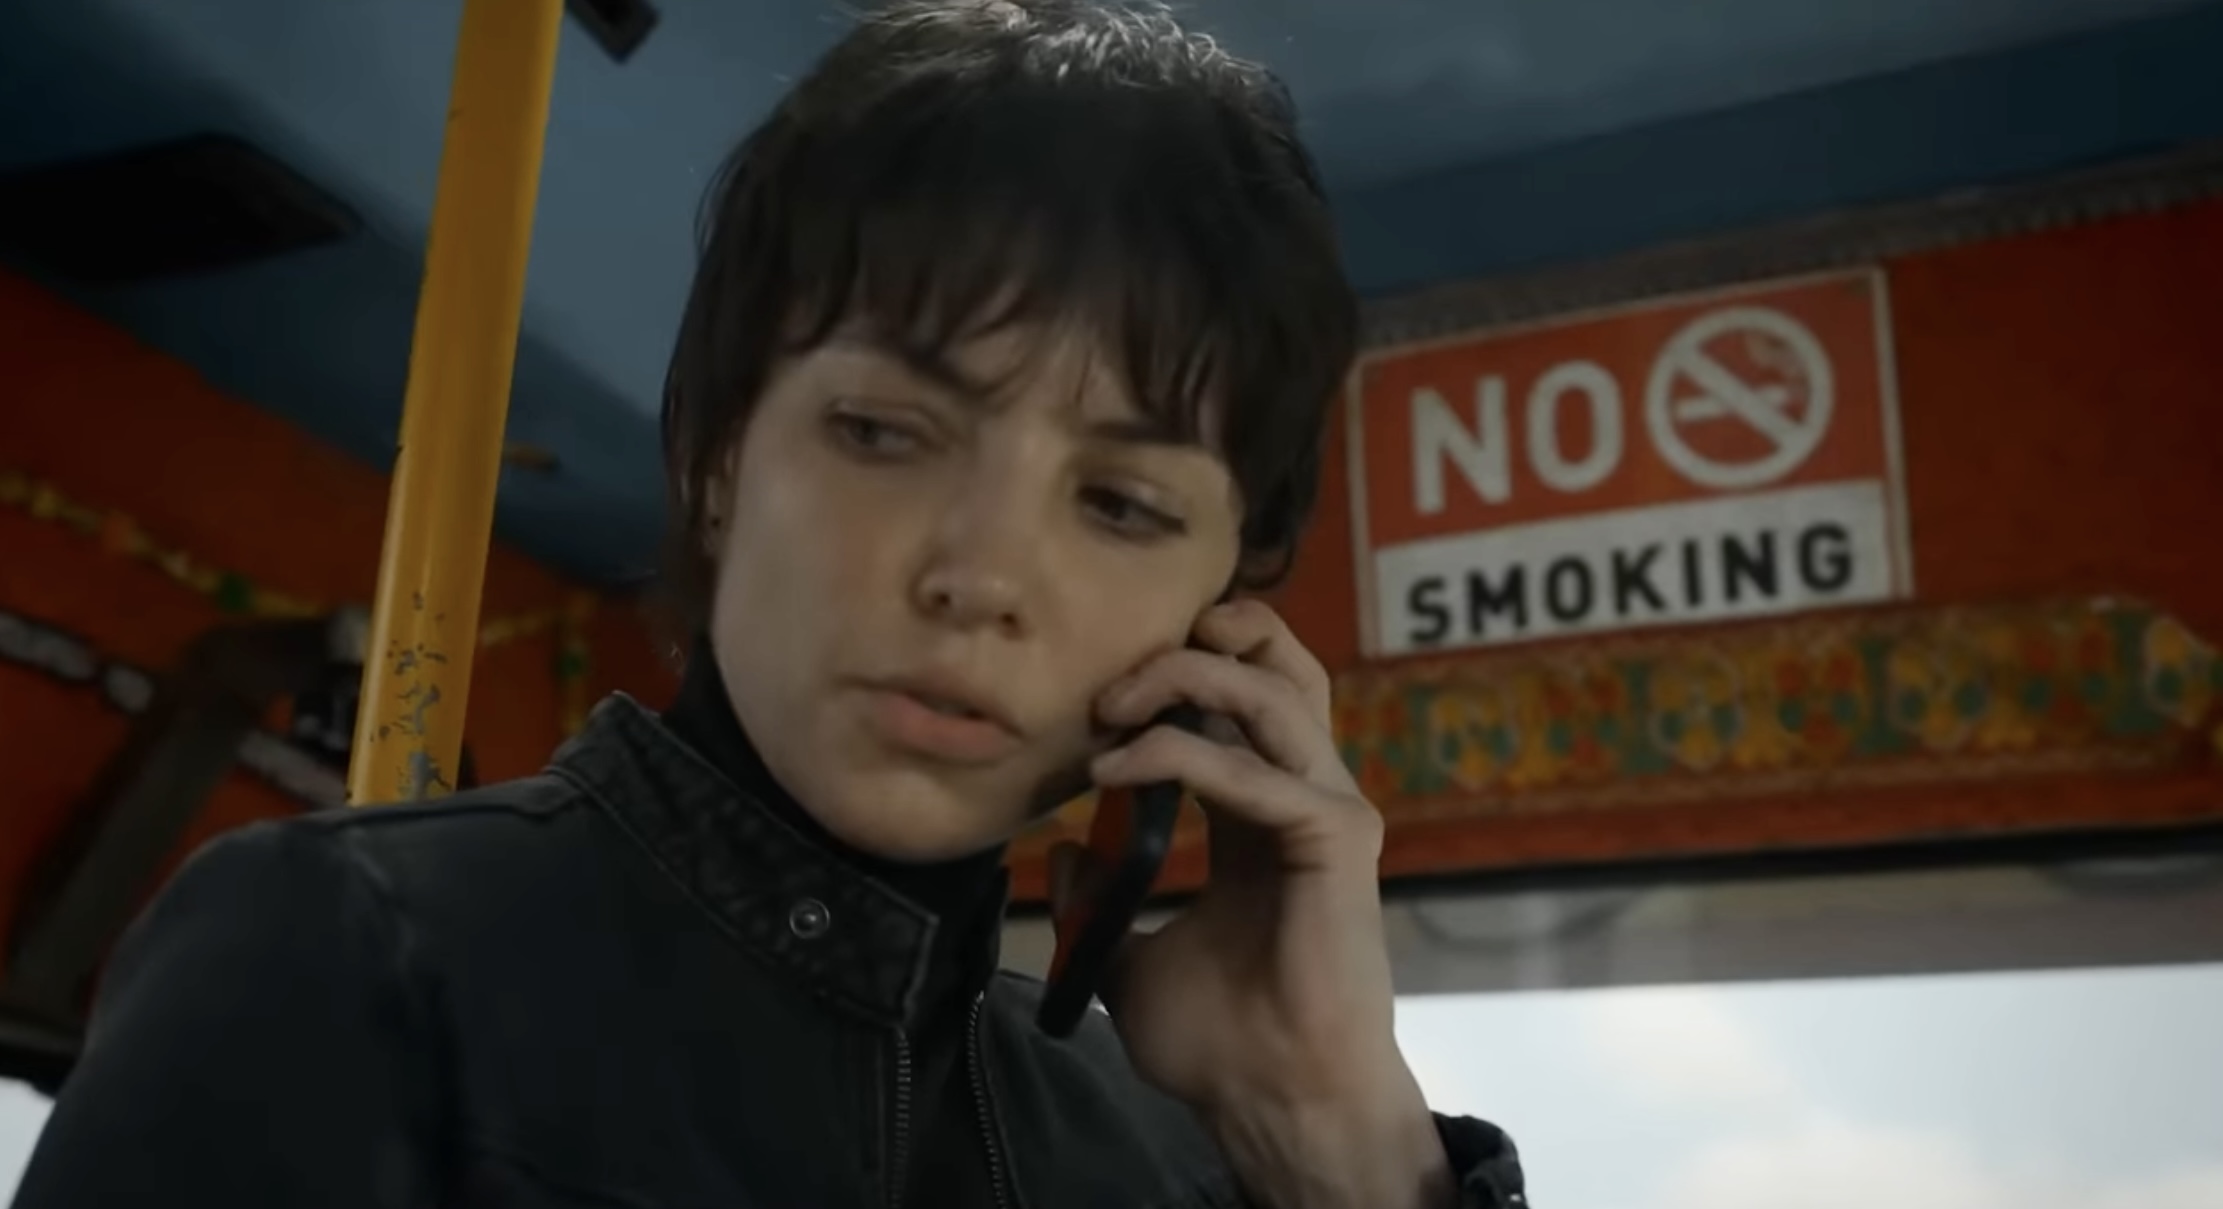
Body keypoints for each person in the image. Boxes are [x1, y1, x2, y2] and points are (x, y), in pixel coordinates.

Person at [13, 1, 1528, 1205]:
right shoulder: (360, 957)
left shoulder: (1176, 1148)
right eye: (882, 431)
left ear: (1222, 616)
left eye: (1123, 505)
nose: (980, 578)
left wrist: (1341, 1138)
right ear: (719, 458)